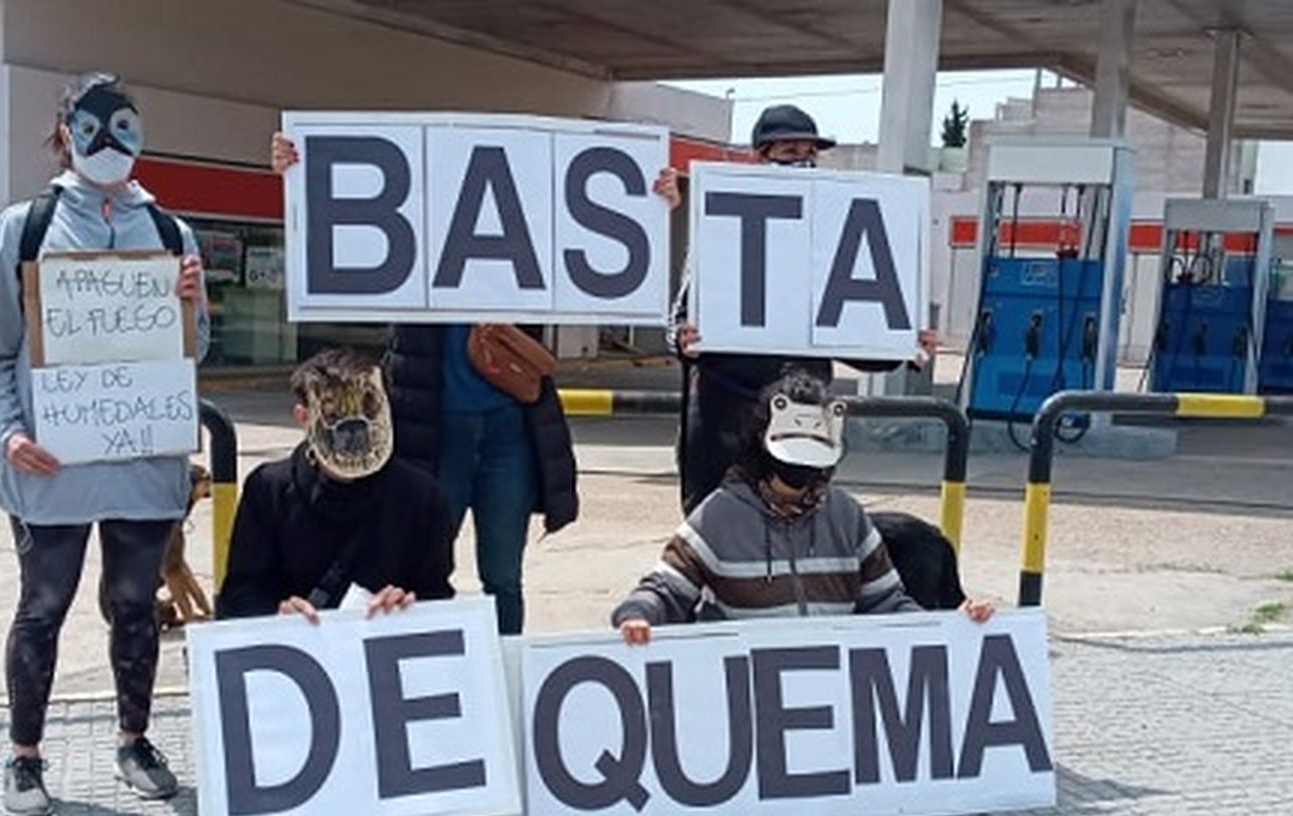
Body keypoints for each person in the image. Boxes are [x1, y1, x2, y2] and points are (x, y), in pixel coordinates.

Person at [271, 131, 680, 635]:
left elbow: (605, 248)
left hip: (510, 430)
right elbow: (346, 238)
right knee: (414, 570)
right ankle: (418, 668)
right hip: (433, 432)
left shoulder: (530, 241)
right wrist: (299, 174)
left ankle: (504, 676)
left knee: (503, 577)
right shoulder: (412, 244)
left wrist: (652, 201)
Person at [0, 73, 209, 816]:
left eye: (125, 126)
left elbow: (192, 352)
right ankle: (25, 755)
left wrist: (193, 307)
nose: (110, 143)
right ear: (66, 131)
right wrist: (8, 435)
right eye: (94, 127)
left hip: (141, 466)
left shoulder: (169, 231)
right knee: (43, 606)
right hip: (54, 472)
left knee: (136, 604)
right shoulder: (26, 227)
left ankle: (135, 739)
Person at [663, 104, 938, 515]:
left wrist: (899, 342)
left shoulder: (830, 233)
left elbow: (853, 337)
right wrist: (684, 339)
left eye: (810, 153)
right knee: (714, 528)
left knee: (800, 526)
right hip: (726, 415)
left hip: (804, 414)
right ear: (758, 156)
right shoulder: (720, 226)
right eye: (790, 152)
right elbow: (680, 318)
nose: (803, 162)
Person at [613, 370, 993, 644]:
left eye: (814, 469)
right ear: (762, 450)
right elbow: (666, 589)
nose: (802, 481)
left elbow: (887, 602)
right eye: (793, 466)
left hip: (832, 694)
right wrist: (636, 615)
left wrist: (953, 625)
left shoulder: (845, 516)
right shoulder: (718, 517)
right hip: (745, 694)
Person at [216, 348, 456, 621]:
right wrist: (277, 613)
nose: (353, 428)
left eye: (369, 409)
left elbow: (436, 596)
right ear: (303, 417)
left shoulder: (422, 498)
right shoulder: (269, 490)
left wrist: (408, 606)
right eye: (332, 415)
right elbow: (240, 594)